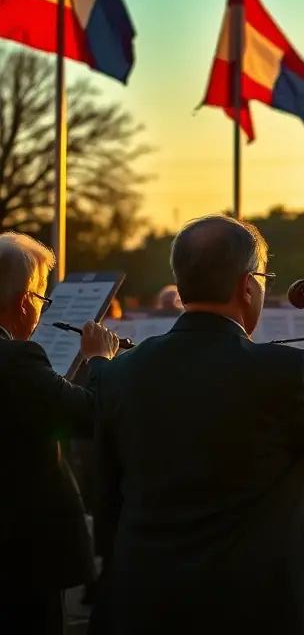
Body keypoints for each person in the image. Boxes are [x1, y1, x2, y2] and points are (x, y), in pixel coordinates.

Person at [90, 215, 304, 635]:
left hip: (148, 597)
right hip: (262, 604)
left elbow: (106, 496)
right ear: (248, 286)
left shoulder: (121, 372)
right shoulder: (280, 371)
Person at [0, 232, 120, 634]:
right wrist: (99, 359)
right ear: (23, 303)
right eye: (41, 299)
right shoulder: (16, 359)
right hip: (20, 558)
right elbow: (93, 416)